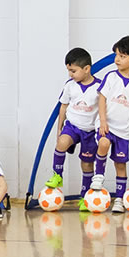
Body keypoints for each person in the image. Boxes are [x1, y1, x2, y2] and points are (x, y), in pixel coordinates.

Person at [93, 36, 129, 212]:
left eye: (122, 56)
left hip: (123, 131)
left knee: (120, 165)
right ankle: (99, 175)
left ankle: (119, 199)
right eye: (116, 55)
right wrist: (102, 121)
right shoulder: (111, 77)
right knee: (104, 142)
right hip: (106, 125)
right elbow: (101, 98)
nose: (117, 59)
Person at [45, 48, 100, 211]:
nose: (70, 74)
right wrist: (59, 127)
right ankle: (57, 176)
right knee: (61, 143)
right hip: (72, 126)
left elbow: (104, 108)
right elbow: (63, 106)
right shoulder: (70, 86)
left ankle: (85, 196)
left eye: (73, 71)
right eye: (69, 70)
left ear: (86, 69)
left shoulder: (99, 87)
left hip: (90, 131)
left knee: (87, 164)